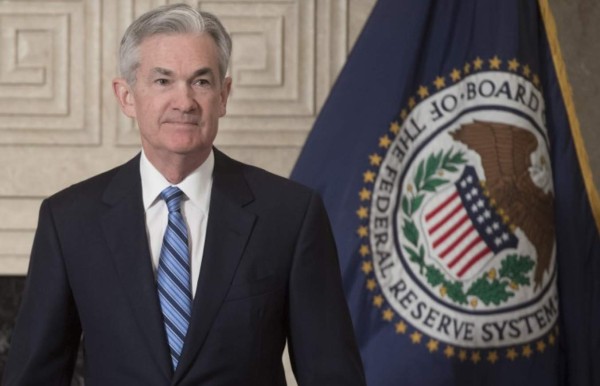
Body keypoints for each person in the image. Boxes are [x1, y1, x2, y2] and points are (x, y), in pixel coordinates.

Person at [2, 4, 366, 386]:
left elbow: (332, 375)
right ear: (126, 96)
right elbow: (33, 376)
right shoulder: (70, 220)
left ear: (223, 95)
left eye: (201, 82)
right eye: (163, 81)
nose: (184, 101)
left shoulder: (291, 215)